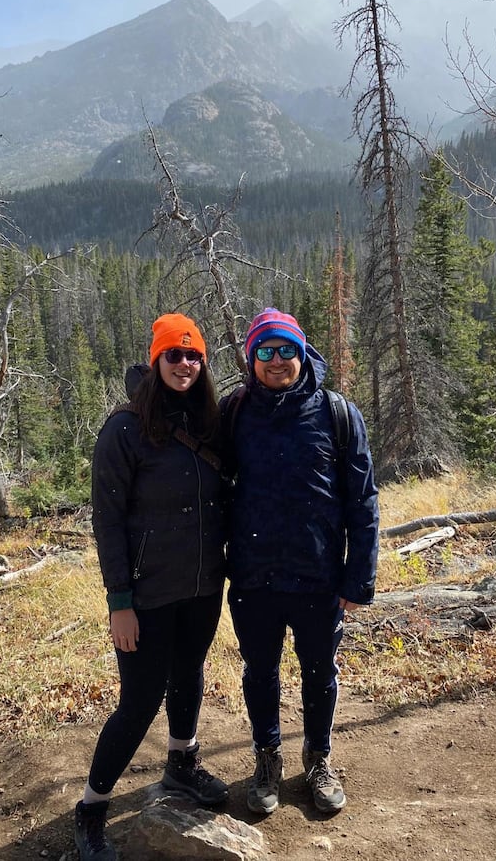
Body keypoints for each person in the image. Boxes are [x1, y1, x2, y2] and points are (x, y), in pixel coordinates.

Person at [75, 313, 229, 861]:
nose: (184, 365)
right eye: (173, 355)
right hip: (144, 595)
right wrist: (120, 603)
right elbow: (107, 522)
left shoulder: (210, 421)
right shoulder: (123, 429)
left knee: (190, 675)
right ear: (155, 359)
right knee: (139, 702)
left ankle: (181, 764)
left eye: (194, 357)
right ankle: (92, 808)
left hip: (203, 586)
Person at [223, 308, 379, 816]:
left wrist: (359, 579)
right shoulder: (233, 413)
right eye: (265, 351)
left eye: (286, 349)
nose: (276, 360)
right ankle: (267, 758)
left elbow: (363, 501)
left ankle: (318, 759)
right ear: (251, 358)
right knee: (259, 671)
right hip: (254, 576)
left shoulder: (336, 413)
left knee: (320, 672)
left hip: (318, 577)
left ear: (302, 352)